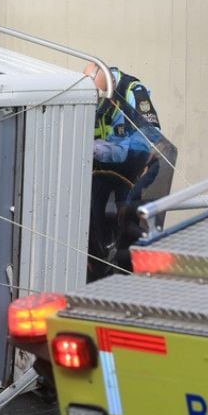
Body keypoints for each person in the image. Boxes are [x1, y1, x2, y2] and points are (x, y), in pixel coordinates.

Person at [84, 63, 162, 280]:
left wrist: (107, 149)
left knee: (129, 220)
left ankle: (130, 273)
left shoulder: (132, 91)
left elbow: (150, 136)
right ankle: (98, 271)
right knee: (92, 217)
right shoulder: (89, 98)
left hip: (137, 167)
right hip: (105, 169)